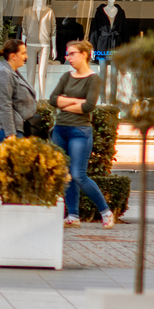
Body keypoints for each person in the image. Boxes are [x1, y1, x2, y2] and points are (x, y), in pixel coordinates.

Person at [49, 39, 114, 228]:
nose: (67, 57)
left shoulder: (94, 78)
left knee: (78, 175)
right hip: (60, 130)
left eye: (71, 54)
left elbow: (88, 106)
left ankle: (106, 212)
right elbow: (53, 99)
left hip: (80, 132)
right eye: (67, 54)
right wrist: (75, 102)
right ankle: (73, 216)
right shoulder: (66, 77)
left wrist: (66, 102)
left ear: (83, 55)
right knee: (65, 174)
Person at [0, 37, 36, 146]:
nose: (26, 57)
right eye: (23, 53)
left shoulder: (9, 70)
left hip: (10, 129)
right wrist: (10, 134)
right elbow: (4, 104)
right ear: (13, 56)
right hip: (6, 131)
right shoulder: (4, 73)